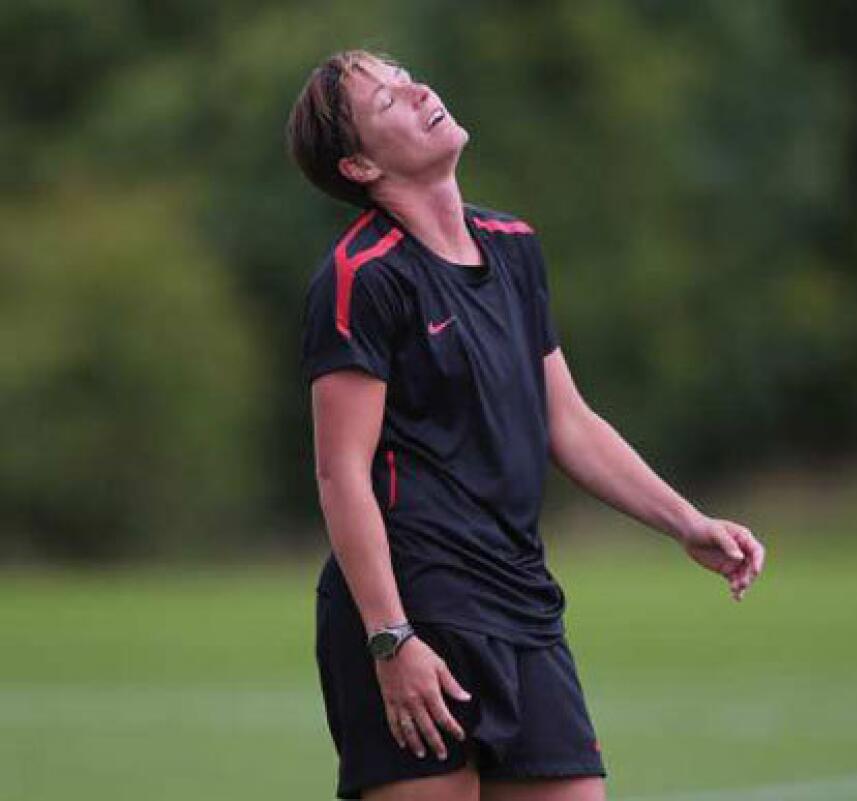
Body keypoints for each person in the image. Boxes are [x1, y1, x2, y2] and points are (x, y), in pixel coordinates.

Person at [286, 49, 766, 801]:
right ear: (358, 167)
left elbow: (565, 420)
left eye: (407, 75)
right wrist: (390, 638)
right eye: (386, 102)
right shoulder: (362, 277)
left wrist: (685, 522)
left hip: (521, 600)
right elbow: (339, 473)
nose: (416, 90)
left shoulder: (513, 245)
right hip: (415, 604)